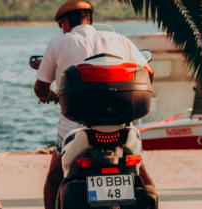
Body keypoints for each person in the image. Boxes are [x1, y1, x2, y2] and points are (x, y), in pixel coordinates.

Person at [33, 0, 155, 208]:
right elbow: (148, 73)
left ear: (65, 23)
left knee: (55, 174)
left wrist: (51, 97)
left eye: (61, 25)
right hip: (121, 126)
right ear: (89, 18)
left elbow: (40, 88)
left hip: (74, 128)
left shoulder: (58, 43)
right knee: (140, 172)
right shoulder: (119, 39)